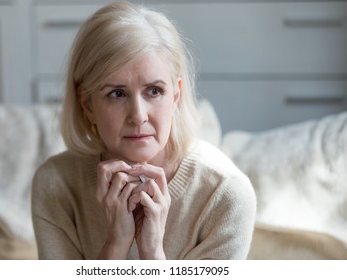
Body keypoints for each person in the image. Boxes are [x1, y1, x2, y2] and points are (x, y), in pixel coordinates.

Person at [31, 1, 256, 260]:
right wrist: (116, 244)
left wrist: (152, 252)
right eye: (117, 93)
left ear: (175, 96)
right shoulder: (55, 184)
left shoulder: (226, 196)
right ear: (87, 105)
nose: (138, 116)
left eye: (154, 91)